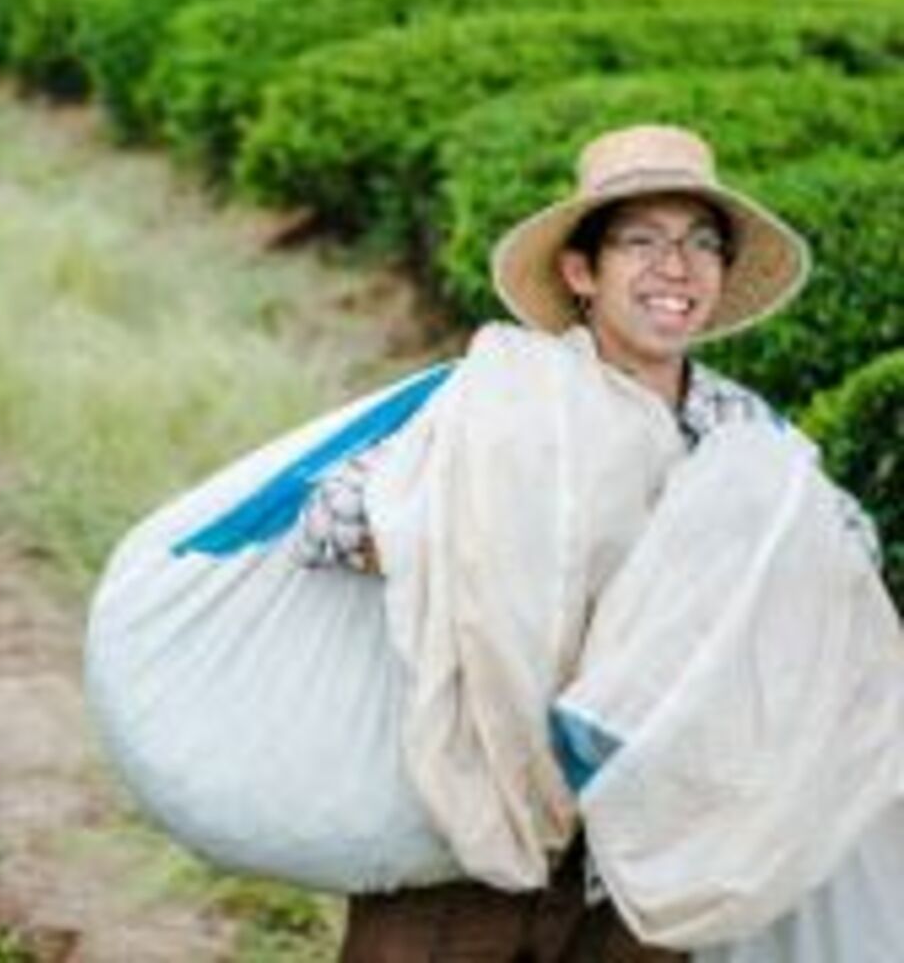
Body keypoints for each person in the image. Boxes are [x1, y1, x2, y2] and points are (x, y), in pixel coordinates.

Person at [292, 124, 882, 962]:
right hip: (474, 823)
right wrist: (506, 546)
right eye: (641, 241)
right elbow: (329, 524)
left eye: (700, 244)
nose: (675, 268)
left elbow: (841, 568)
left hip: (647, 851)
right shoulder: (498, 406)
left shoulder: (747, 439)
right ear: (582, 272)